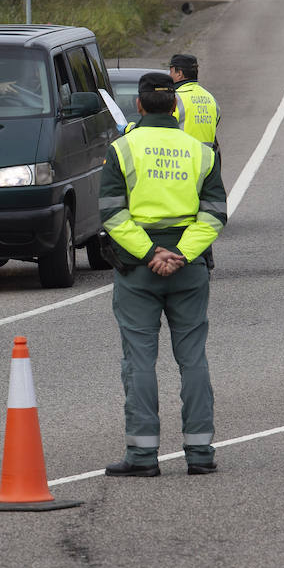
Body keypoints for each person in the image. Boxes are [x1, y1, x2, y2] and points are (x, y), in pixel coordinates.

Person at [100, 72, 228, 477]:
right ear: (176, 106)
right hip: (188, 269)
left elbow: (111, 213)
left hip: (138, 269)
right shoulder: (201, 152)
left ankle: (142, 457)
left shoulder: (121, 150)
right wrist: (181, 254)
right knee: (193, 359)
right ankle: (200, 453)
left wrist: (149, 252)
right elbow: (214, 214)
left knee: (139, 361)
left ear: (139, 105)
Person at [169, 53, 220, 151]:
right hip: (207, 160)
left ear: (179, 73)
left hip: (182, 159)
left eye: (171, 72)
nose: (169, 75)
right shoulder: (211, 99)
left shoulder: (174, 98)